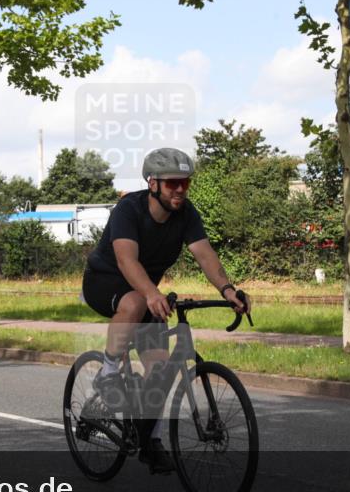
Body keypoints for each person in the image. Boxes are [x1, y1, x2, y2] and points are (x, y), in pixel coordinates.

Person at [81, 147, 250, 474]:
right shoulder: (129, 209)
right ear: (153, 183)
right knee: (134, 301)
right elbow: (126, 261)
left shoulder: (187, 214)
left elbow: (205, 255)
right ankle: (108, 373)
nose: (180, 189)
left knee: (159, 370)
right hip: (104, 282)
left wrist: (228, 290)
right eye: (173, 183)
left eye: (185, 183)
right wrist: (151, 293)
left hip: (147, 292)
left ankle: (151, 441)